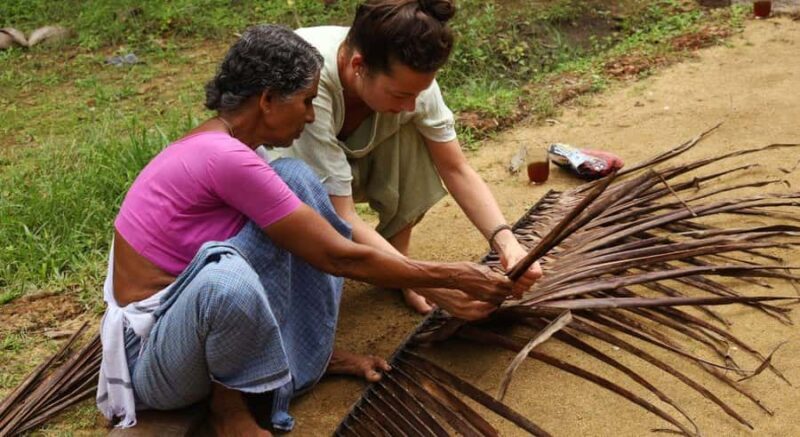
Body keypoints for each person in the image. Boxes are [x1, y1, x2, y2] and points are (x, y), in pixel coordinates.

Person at [96, 24, 536, 436]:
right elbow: (337, 255)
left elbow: (321, 237)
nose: (310, 116)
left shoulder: (229, 147)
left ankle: (305, 358)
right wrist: (450, 277)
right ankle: (228, 411)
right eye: (305, 101)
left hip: (188, 334)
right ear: (268, 100)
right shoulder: (225, 157)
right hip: (153, 362)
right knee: (224, 280)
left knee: (298, 181)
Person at [268, 0, 543, 314]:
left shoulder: (406, 77)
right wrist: (431, 283)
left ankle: (398, 260)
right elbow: (339, 215)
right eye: (401, 94)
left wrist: (507, 243)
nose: (412, 103)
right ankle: (400, 273)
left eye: (418, 93)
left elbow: (456, 168)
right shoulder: (309, 86)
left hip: (349, 159)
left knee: (413, 130)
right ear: (358, 66)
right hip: (288, 184)